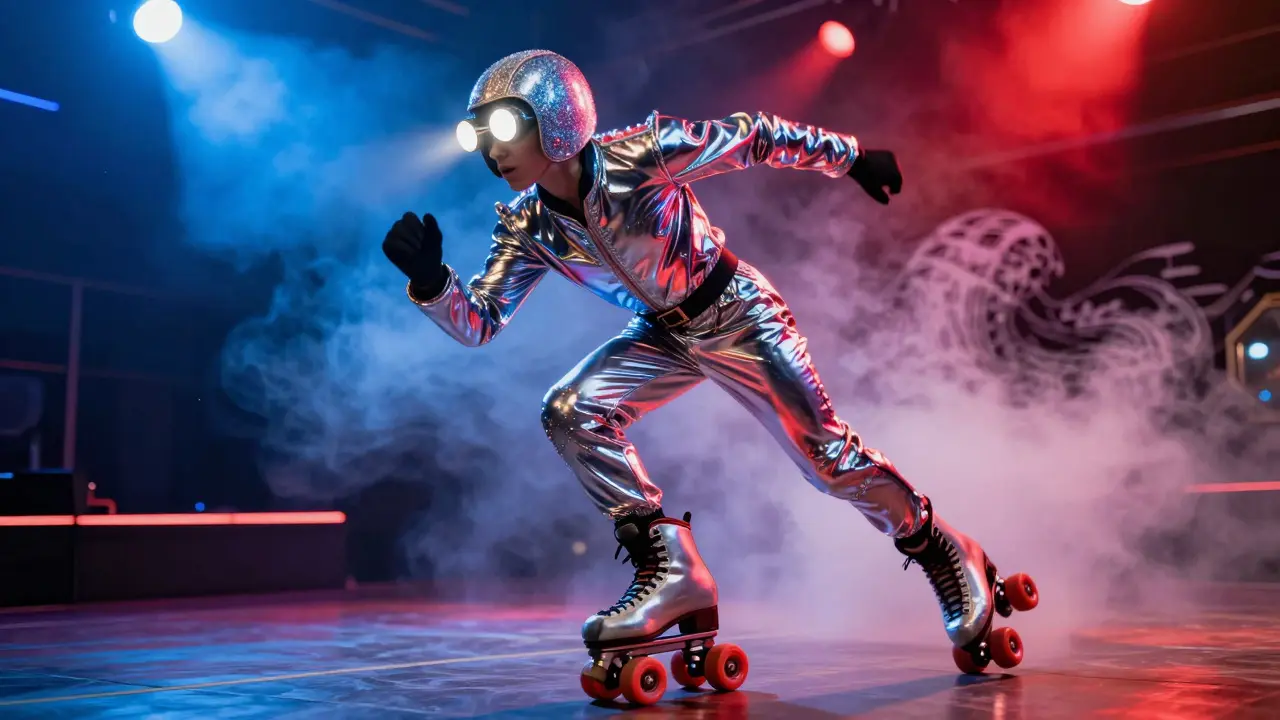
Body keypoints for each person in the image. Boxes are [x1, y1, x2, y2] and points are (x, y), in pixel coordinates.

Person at [382, 49, 1036, 675]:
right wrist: (433, 281)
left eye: (503, 128)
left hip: (736, 313)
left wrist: (852, 157)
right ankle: (672, 573)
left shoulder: (639, 155)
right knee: (571, 411)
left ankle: (948, 551)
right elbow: (481, 323)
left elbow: (753, 135)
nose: (492, 151)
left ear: (556, 117)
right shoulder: (528, 227)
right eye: (480, 135)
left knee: (828, 461)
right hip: (661, 336)